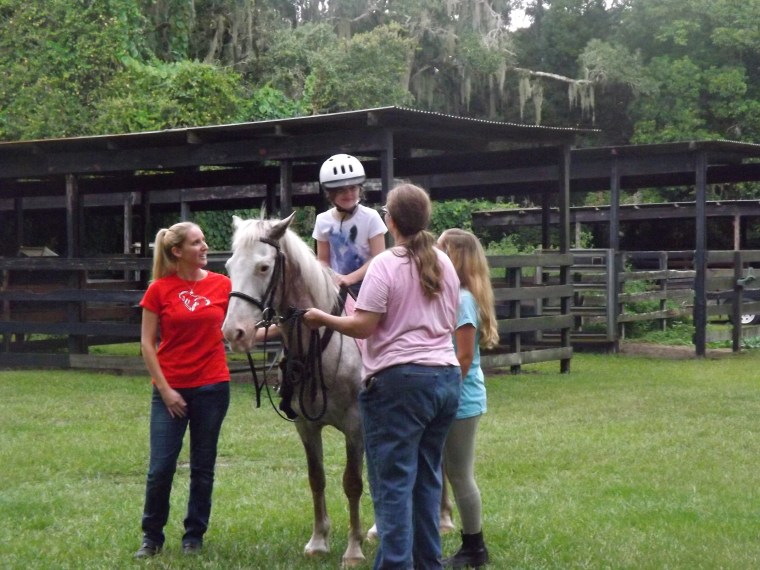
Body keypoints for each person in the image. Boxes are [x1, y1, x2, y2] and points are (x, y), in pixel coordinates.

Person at [303, 183, 462, 569]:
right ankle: (428, 563)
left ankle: (395, 564)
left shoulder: (385, 265)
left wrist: (320, 316)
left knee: (391, 485)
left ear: (390, 221)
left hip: (398, 386)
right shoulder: (445, 264)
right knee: (426, 481)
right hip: (445, 380)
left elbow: (363, 326)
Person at [134, 221, 232, 558]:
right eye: (197, 242)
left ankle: (194, 536)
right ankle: (151, 537)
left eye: (204, 240)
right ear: (177, 251)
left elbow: (236, 332)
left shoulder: (223, 286)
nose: (205, 246)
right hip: (170, 390)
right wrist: (165, 391)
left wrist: (287, 325)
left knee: (203, 467)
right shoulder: (159, 289)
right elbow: (147, 344)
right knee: (160, 467)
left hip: (213, 387)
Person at [437, 229, 499, 568]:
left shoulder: (462, 299)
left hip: (460, 398)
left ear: (455, 256)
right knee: (451, 472)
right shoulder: (459, 295)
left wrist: (445, 394)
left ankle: (474, 548)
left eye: (441, 248)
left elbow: (462, 357)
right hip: (457, 395)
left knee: (460, 475)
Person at [313, 153, 387, 297]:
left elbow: (379, 258)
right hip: (337, 290)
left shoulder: (371, 217)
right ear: (330, 193)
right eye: (341, 189)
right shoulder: (322, 220)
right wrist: (330, 281)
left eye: (353, 188)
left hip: (370, 288)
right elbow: (323, 260)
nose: (348, 194)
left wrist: (349, 279)